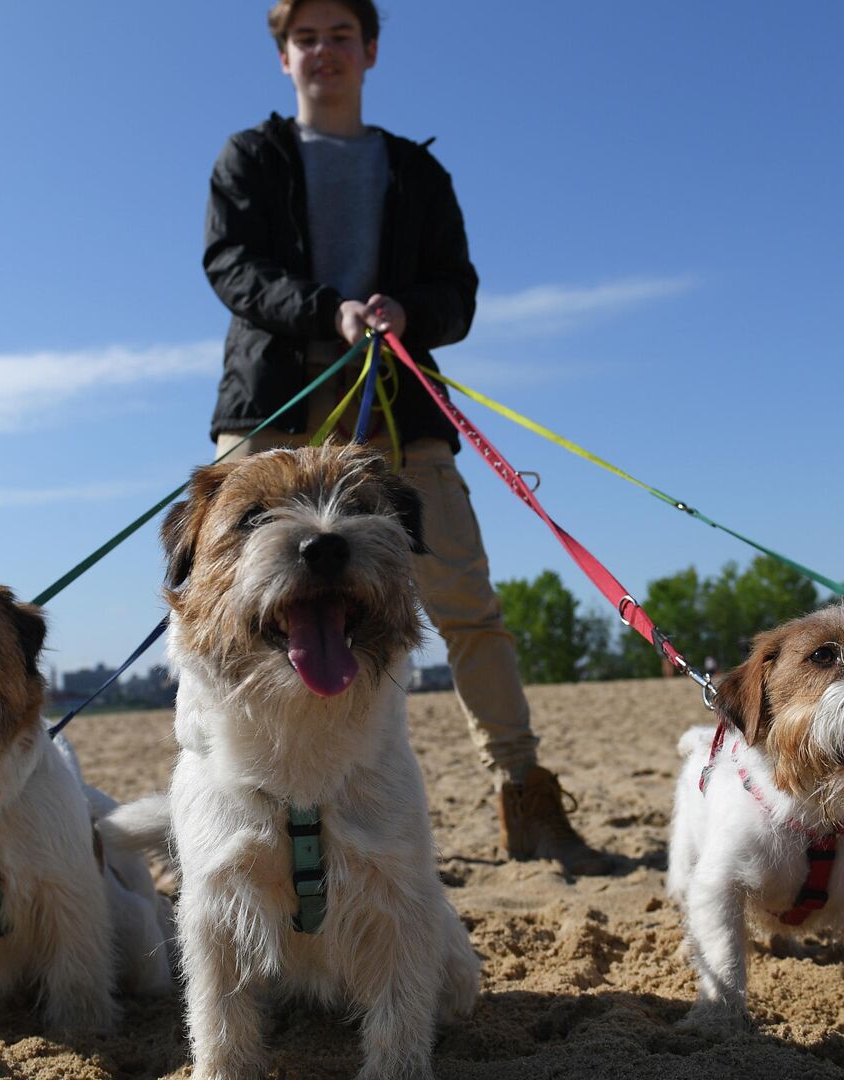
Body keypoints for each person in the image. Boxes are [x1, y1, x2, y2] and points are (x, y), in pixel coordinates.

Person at [201, 0, 609, 874]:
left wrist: (406, 310)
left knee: (465, 601)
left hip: (401, 406)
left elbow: (456, 293)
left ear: (371, 50)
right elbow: (230, 267)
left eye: (340, 35)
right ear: (284, 57)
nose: (324, 51)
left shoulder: (418, 172)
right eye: (305, 37)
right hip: (273, 407)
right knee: (222, 603)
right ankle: (227, 798)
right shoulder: (251, 156)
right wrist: (326, 310)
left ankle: (524, 794)